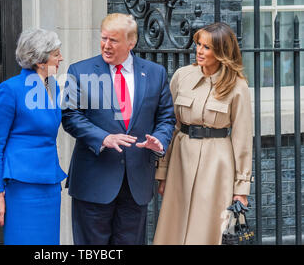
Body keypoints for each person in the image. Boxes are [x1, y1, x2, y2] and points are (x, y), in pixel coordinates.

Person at [62, 13, 176, 245]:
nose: (106, 45)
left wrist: (159, 140)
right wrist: (103, 137)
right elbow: (70, 115)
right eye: (103, 38)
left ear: (131, 43)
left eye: (113, 40)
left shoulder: (155, 73)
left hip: (136, 183)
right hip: (94, 180)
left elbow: (166, 117)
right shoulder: (79, 71)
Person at [153, 22, 253, 245]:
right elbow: (171, 124)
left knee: (208, 228)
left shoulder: (238, 86)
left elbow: (242, 138)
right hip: (181, 158)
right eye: (199, 44)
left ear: (222, 52)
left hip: (217, 163)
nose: (199, 50)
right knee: (174, 225)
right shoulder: (182, 76)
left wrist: (241, 189)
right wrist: (163, 171)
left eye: (207, 47)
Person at [0, 28, 67, 245]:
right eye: (56, 54)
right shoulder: (10, 89)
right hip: (21, 186)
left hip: (50, 183)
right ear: (40, 60)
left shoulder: (54, 87)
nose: (61, 58)